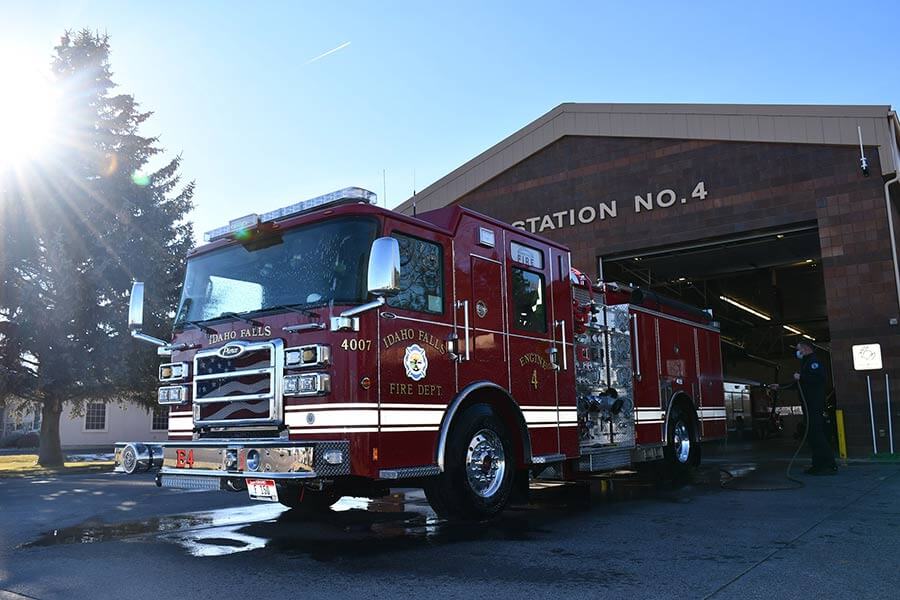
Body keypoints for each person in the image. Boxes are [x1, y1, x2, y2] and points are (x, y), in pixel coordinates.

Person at [769, 341, 837, 475]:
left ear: (806, 349)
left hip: (814, 404)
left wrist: (802, 377)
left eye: (798, 349)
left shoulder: (813, 362)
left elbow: (819, 378)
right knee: (812, 435)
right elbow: (799, 384)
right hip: (808, 404)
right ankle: (817, 465)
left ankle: (829, 464)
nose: (797, 352)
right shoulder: (806, 363)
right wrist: (780, 386)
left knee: (817, 434)